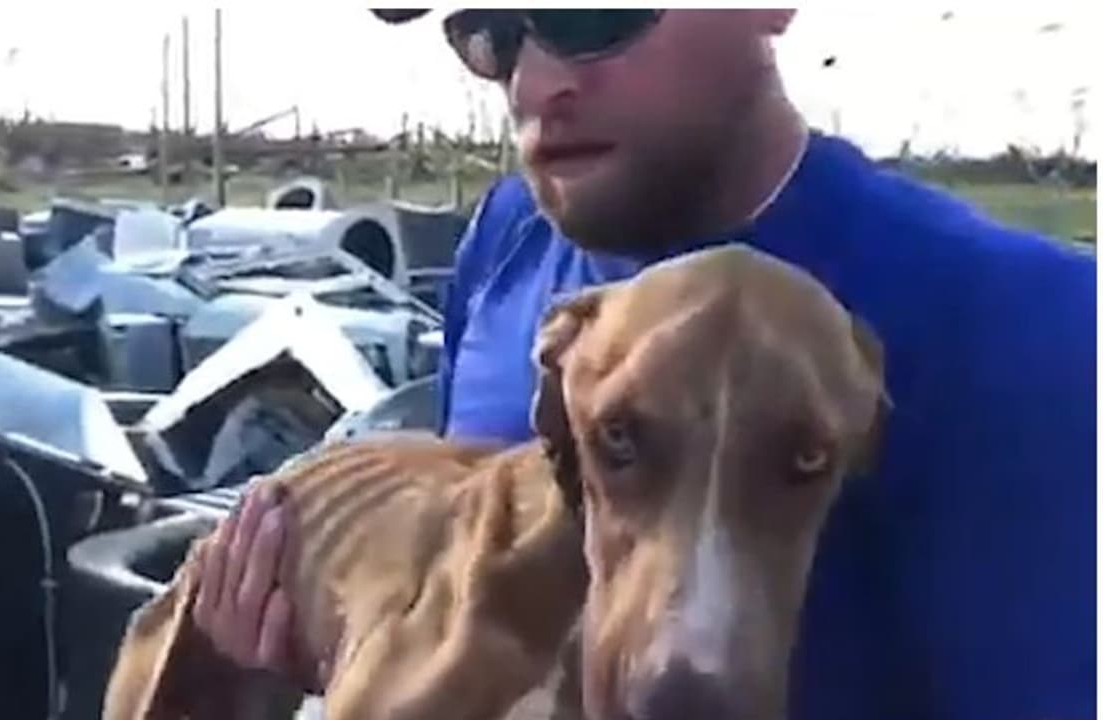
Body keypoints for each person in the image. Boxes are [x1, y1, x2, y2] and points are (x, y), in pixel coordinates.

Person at [189, 10, 1096, 719]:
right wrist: (304, 638)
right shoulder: (511, 243)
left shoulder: (1026, 328)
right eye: (493, 36)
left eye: (591, 14)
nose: (538, 85)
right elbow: (453, 594)